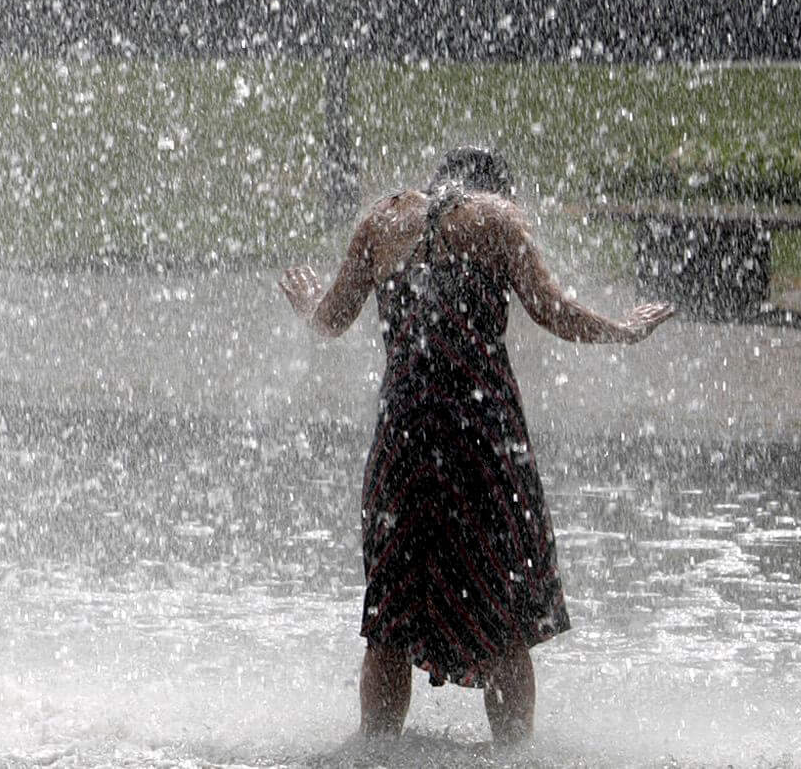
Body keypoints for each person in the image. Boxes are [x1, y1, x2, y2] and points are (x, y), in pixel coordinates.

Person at [277, 145, 675, 746]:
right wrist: (622, 330)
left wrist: (307, 303)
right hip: (483, 439)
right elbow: (553, 311)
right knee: (506, 608)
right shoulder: (499, 220)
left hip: (403, 437)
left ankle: (373, 753)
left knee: (391, 612)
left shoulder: (381, 221)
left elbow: (330, 320)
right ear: (498, 191)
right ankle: (513, 757)